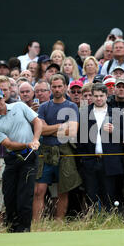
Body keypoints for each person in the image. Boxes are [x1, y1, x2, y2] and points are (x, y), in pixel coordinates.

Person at [0, 87, 42, 233]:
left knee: (25, 194)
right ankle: (12, 228)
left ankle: (24, 228)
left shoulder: (19, 106)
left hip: (29, 156)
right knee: (9, 194)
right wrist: (28, 143)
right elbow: (9, 144)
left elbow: (37, 122)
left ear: (3, 97)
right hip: (12, 157)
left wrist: (35, 139)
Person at [33, 74, 81, 222]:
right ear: (50, 88)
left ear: (66, 87)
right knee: (38, 190)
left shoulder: (71, 106)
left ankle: (59, 222)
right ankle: (36, 223)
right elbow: (40, 130)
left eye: (60, 86)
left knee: (63, 190)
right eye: (54, 86)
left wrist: (49, 128)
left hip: (64, 151)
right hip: (45, 152)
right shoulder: (44, 107)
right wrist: (61, 127)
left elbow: (72, 132)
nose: (57, 89)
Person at [77, 83, 124, 211]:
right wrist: (84, 160)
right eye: (96, 96)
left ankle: (111, 223)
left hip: (110, 162)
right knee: (91, 197)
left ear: (107, 96)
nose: (99, 98)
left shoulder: (116, 113)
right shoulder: (84, 113)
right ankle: (92, 224)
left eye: (101, 95)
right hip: (90, 162)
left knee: (110, 197)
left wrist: (114, 131)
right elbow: (79, 140)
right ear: (92, 97)